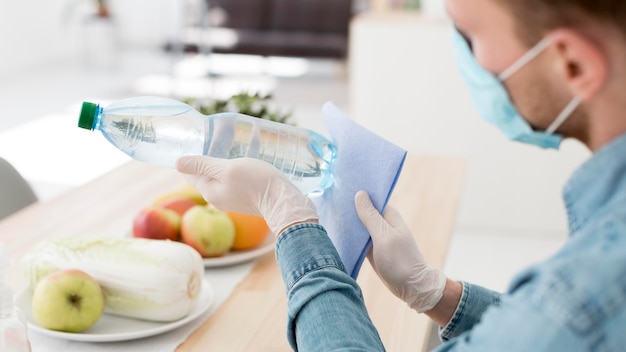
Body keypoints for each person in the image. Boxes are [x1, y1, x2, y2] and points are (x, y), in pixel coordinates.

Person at [176, 0, 626, 350]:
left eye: (470, 36)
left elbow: (568, 318)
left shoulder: (588, 287)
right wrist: (435, 292)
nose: (467, 61)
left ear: (573, 65)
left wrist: (292, 222)